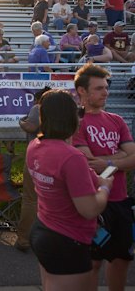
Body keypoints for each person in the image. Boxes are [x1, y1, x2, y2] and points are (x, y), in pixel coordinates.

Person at [28, 89, 112, 291]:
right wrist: (105, 189)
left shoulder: (35, 146)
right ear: (69, 117)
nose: (81, 117)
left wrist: (89, 176)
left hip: (44, 230)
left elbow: (56, 180)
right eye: (79, 111)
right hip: (66, 241)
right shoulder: (72, 157)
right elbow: (89, 209)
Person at [73, 64, 135, 291]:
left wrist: (109, 163)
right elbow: (91, 166)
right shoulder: (77, 123)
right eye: (99, 88)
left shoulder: (116, 120)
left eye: (106, 88)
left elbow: (132, 158)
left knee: (121, 260)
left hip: (120, 202)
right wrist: (120, 158)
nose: (105, 92)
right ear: (82, 91)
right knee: (92, 262)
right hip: (93, 203)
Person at [14, 86, 50, 253]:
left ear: (37, 99)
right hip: (55, 157)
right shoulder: (57, 111)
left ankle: (24, 240)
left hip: (36, 157)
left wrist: (21, 120)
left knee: (30, 199)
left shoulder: (37, 108)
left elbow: (30, 126)